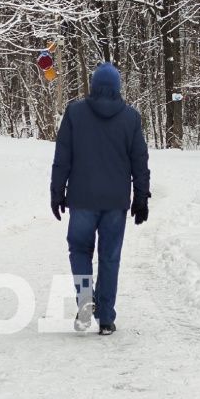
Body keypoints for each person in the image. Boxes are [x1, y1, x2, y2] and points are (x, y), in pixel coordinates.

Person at [51, 62, 150, 336]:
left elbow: (62, 158)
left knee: (80, 251)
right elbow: (139, 161)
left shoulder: (74, 113)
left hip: (82, 199)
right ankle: (105, 318)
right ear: (118, 87)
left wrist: (56, 192)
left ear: (93, 85)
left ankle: (85, 299)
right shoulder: (131, 118)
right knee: (110, 257)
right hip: (115, 203)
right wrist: (141, 197)